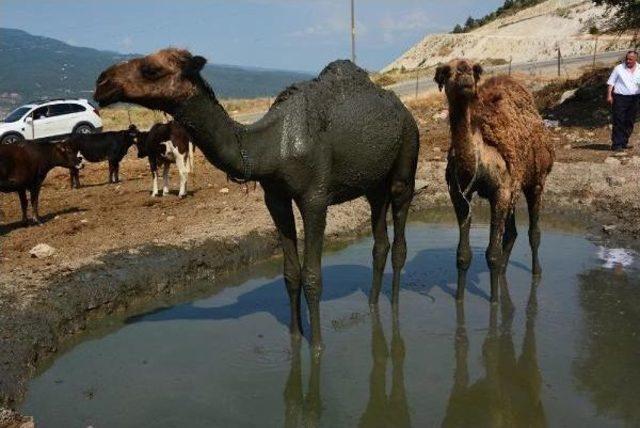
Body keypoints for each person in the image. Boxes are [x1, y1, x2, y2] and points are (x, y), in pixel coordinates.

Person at [607, 50, 640, 151]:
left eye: (631, 59)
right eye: (627, 58)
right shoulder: (619, 68)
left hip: (635, 98)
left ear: (635, 59)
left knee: (630, 121)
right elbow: (611, 82)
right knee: (619, 120)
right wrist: (609, 96)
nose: (628, 61)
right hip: (620, 97)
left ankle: (624, 141)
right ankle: (616, 144)